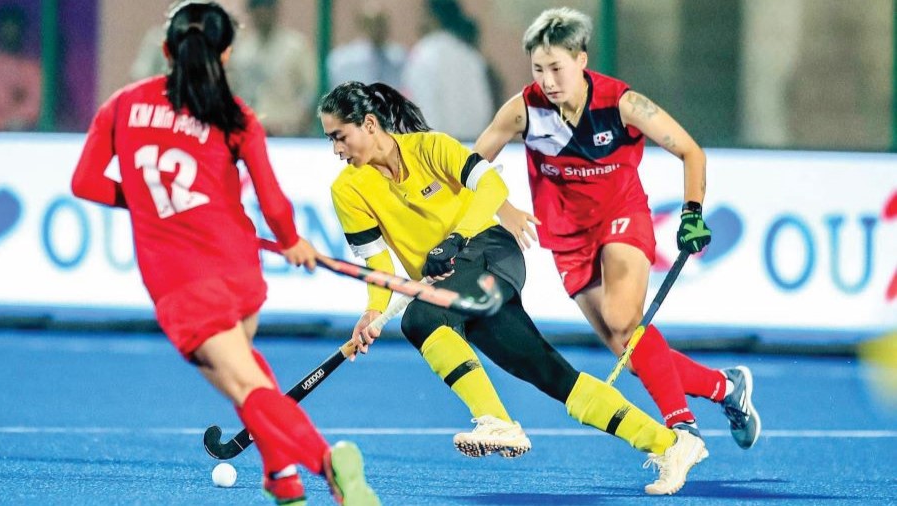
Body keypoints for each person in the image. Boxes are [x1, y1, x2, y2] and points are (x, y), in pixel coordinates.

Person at [318, 80, 706, 496]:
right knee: (555, 377)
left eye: (340, 136)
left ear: (369, 124)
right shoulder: (347, 190)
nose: (337, 150)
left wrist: (455, 238)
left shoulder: (431, 147)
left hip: (491, 254)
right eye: (330, 140)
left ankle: (497, 421)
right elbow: (378, 263)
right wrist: (373, 311)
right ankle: (670, 445)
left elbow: (492, 186)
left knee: (419, 319)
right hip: (452, 284)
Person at [69, 3, 379, 505]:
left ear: (166, 49)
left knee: (244, 385)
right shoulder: (236, 116)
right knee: (246, 373)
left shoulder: (123, 105)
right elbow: (272, 202)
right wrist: (292, 240)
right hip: (239, 270)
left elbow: (85, 182)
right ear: (228, 53)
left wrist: (148, 201)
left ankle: (328, 462)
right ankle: (283, 482)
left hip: (183, 282)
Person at [474, 7, 761, 452]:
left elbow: (691, 151)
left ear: (581, 60)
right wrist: (504, 207)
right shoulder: (523, 110)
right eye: (538, 69)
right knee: (629, 351)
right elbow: (471, 164)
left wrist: (691, 212)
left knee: (624, 320)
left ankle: (681, 426)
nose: (548, 80)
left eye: (557, 68)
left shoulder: (621, 103)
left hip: (621, 218)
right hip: (567, 239)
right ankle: (725, 387)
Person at [401, 0, 492, 141]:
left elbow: (420, 110)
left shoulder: (422, 54)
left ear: (432, 16)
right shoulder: (470, 56)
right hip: (471, 145)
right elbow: (483, 111)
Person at [228, 0, 317, 136]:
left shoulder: (296, 46)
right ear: (250, 12)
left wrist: (301, 120)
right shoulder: (241, 50)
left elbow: (311, 91)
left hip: (288, 133)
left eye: (266, 7)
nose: (262, 13)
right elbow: (232, 92)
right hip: (249, 133)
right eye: (257, 8)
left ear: (275, 10)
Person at [326, 2, 405, 90]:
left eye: (381, 23)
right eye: (373, 24)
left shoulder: (398, 58)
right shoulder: (343, 60)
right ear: (363, 25)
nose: (378, 29)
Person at [0, 3, 41, 131]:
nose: (10, 32)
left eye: (14, 27)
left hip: (20, 134)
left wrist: (12, 122)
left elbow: (35, 106)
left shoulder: (31, 69)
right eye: (6, 27)